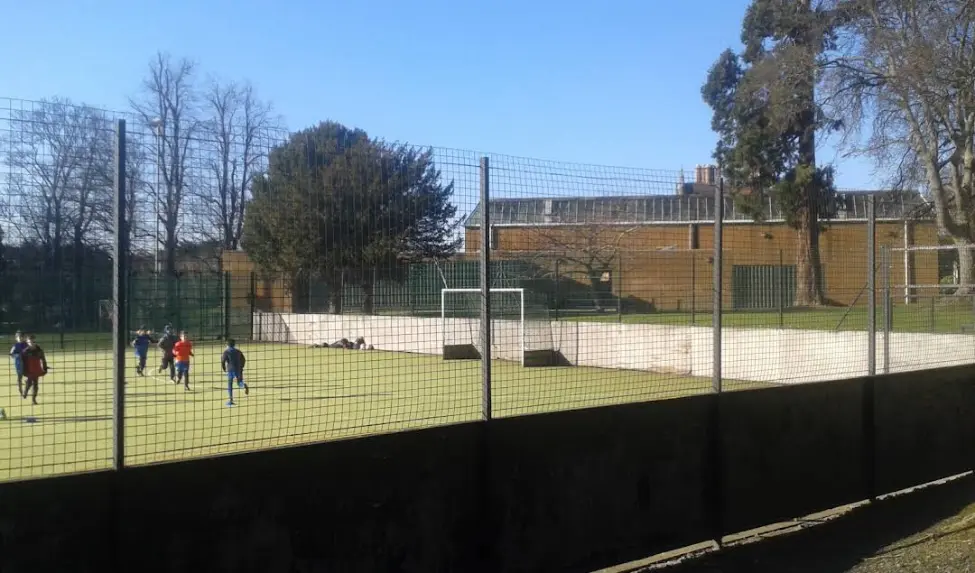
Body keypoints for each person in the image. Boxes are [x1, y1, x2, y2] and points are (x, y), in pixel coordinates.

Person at [20, 334, 48, 406]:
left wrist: (45, 368)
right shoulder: (25, 351)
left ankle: (33, 400)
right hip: (29, 370)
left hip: (36, 369)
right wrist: (22, 370)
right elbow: (21, 361)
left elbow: (43, 359)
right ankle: (25, 391)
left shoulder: (39, 350)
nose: (31, 342)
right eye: (30, 341)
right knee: (29, 383)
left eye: (33, 340)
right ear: (27, 342)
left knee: (35, 385)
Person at [221, 339, 249, 407]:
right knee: (239, 383)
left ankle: (231, 400)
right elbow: (243, 359)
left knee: (230, 384)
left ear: (227, 345)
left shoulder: (226, 352)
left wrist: (224, 368)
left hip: (231, 370)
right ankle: (244, 385)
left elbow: (223, 361)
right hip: (239, 369)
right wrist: (241, 366)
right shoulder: (238, 351)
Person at [9, 331, 27, 397]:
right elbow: (11, 354)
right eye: (18, 337)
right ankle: (20, 391)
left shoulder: (26, 344)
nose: (20, 338)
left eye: (21, 337)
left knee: (30, 376)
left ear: (24, 337)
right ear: (16, 338)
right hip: (19, 364)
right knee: (19, 377)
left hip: (27, 363)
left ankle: (26, 387)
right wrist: (17, 356)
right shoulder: (15, 346)